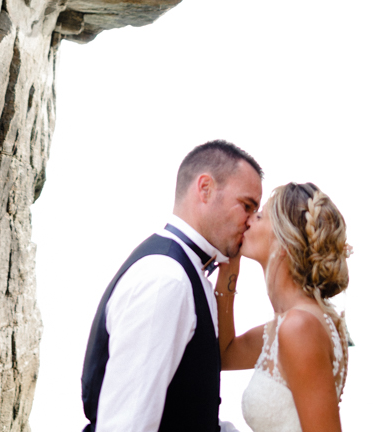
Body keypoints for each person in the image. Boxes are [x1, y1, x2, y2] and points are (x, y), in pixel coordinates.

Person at [82, 140, 264, 432]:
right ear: (204, 189)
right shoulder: (166, 280)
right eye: (247, 206)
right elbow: (128, 425)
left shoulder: (186, 271)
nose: (251, 221)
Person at [218, 183, 352, 432]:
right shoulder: (293, 323)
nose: (247, 220)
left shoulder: (299, 328)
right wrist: (229, 271)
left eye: (259, 216)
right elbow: (224, 353)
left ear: (284, 243)